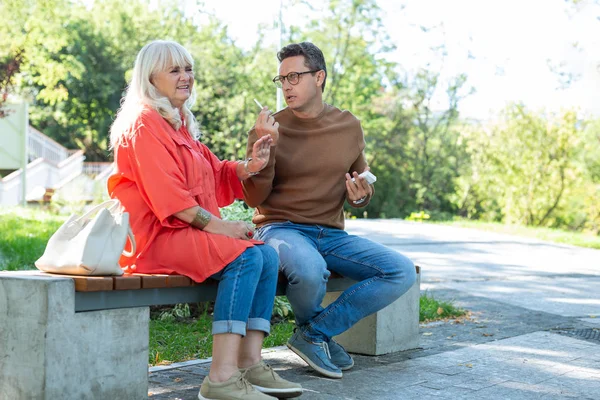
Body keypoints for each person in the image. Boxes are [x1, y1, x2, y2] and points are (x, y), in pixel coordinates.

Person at [107, 40, 302, 400]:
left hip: (185, 234)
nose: (186, 77)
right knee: (245, 257)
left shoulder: (178, 123)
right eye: (175, 70)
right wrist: (224, 227)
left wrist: (252, 165)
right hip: (156, 238)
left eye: (189, 69)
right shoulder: (144, 122)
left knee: (266, 255)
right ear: (150, 78)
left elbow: (215, 174)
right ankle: (222, 378)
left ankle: (248, 362)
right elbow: (171, 201)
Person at [243, 42, 417, 379]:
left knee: (400, 271)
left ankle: (313, 333)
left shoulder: (348, 126)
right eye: (281, 80)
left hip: (332, 234)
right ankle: (317, 335)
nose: (287, 86)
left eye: (294, 76)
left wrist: (361, 196)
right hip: (281, 228)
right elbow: (254, 197)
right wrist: (263, 156)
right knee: (310, 271)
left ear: (319, 76)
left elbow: (360, 188)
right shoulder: (267, 129)